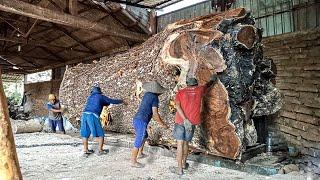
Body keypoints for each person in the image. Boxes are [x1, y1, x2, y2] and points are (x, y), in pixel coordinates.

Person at [170, 76, 218, 175]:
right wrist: (213, 79)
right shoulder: (200, 90)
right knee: (186, 143)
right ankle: (183, 164)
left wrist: (184, 119)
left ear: (187, 84)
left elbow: (178, 107)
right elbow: (207, 85)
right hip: (192, 122)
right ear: (196, 84)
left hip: (180, 121)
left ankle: (179, 169)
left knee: (180, 144)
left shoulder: (180, 92)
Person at [131, 81, 170, 168]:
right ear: (158, 91)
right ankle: (133, 161)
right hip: (141, 121)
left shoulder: (147, 94)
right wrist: (163, 124)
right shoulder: (154, 98)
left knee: (144, 136)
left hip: (137, 119)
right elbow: (155, 114)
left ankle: (140, 153)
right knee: (138, 140)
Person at [80, 85, 124, 156]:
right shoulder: (101, 96)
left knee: (85, 134)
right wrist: (122, 101)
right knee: (100, 134)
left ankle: (85, 150)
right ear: (99, 92)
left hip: (84, 115)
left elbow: (102, 103)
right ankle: (100, 150)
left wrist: (106, 103)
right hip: (92, 115)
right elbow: (111, 101)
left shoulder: (90, 97)